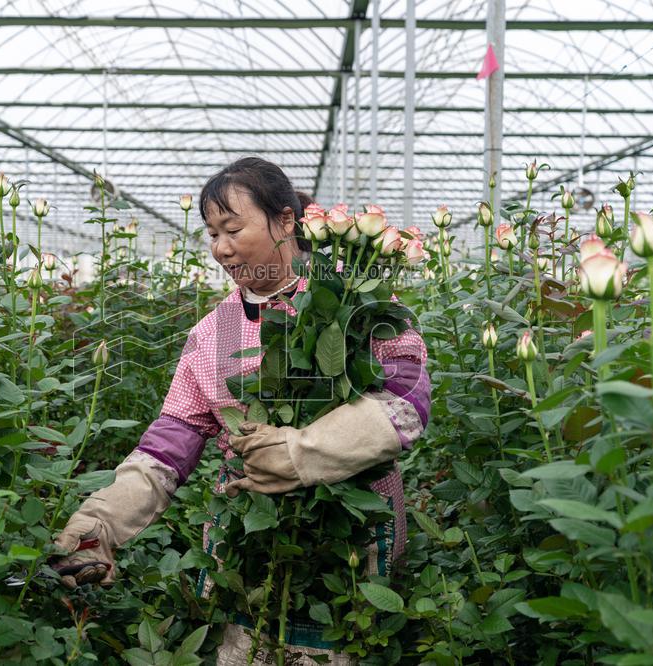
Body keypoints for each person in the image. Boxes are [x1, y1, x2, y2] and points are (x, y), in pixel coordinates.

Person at [51, 157, 431, 663]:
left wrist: (304, 452)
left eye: (233, 228)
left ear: (287, 221)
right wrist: (100, 524)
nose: (221, 248)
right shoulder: (216, 331)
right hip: (250, 544)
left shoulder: (358, 301)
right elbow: (173, 440)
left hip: (348, 545)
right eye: (212, 233)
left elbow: (407, 401)